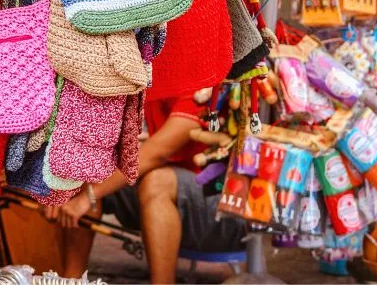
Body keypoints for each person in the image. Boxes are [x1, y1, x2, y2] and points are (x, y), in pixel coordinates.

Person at [43, 92, 245, 283]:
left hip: (223, 213)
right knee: (86, 169)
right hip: (155, 201)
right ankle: (72, 280)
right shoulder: (144, 76)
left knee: (156, 181)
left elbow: (157, 153)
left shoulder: (200, 82)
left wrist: (89, 195)